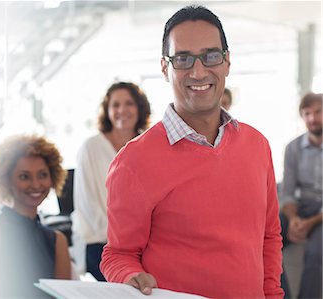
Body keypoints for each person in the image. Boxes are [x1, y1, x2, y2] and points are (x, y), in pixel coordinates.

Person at [100, 5, 284, 298]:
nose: (198, 72)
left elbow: (269, 237)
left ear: (226, 62)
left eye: (211, 56)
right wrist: (130, 275)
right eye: (183, 59)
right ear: (165, 67)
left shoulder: (257, 145)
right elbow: (117, 254)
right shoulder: (133, 161)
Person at [0, 135, 71, 298]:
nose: (36, 184)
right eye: (24, 176)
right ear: (7, 181)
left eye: (43, 175)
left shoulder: (57, 241)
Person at [72, 81, 151, 281]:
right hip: (101, 243)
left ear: (139, 108)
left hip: (143, 244)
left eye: (129, 104)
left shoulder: (148, 146)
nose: (122, 110)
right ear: (107, 110)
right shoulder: (91, 148)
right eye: (115, 105)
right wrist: (124, 238)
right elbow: (87, 206)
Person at [280, 92, 322, 299]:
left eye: (318, 112)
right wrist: (294, 219)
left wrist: (311, 223)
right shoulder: (293, 148)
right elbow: (287, 193)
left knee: (316, 254)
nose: (312, 118)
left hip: (321, 214)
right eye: (307, 113)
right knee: (264, 239)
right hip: (301, 207)